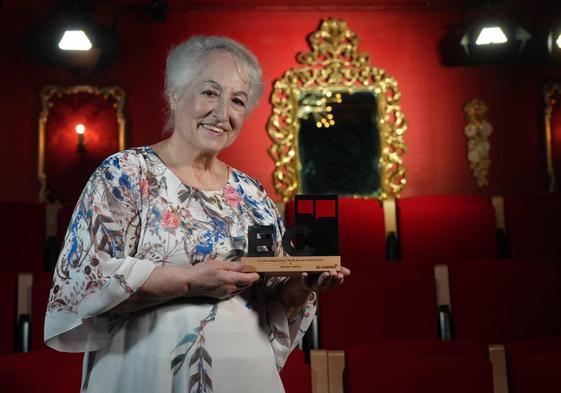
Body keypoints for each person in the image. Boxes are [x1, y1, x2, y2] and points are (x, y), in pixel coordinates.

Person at [44, 35, 350, 393]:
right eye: (209, 92)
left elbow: (274, 304)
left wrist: (304, 284)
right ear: (175, 95)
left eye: (237, 100)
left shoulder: (253, 195)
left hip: (243, 374)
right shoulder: (125, 174)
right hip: (144, 372)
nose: (222, 113)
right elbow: (87, 280)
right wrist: (189, 281)